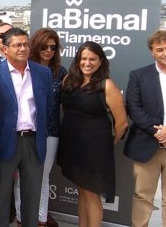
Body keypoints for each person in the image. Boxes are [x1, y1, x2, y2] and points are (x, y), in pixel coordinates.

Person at [0, 28, 53, 227]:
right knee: (0, 197)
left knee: (32, 197)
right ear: (5, 49)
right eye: (17, 45)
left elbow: (46, 107)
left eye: (26, 44)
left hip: (34, 141)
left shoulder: (43, 73)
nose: (23, 48)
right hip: (5, 141)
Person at [57, 41, 127, 227]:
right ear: (78, 60)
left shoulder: (107, 85)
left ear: (101, 61)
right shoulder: (68, 81)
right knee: (82, 190)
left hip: (95, 148)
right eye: (84, 58)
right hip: (72, 144)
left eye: (93, 59)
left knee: (91, 193)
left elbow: (122, 123)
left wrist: (107, 144)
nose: (87, 63)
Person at [124, 30, 166, 226]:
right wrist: (161, 134)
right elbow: (133, 108)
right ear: (152, 52)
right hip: (146, 145)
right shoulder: (139, 75)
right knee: (142, 196)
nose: (165, 53)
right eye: (160, 49)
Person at [13, 28, 66, 227]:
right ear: (36, 46)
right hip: (25, 132)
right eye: (44, 46)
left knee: (43, 177)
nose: (49, 50)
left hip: (50, 130)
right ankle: (21, 218)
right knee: (21, 178)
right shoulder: (27, 69)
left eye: (53, 47)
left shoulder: (60, 71)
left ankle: (41, 220)